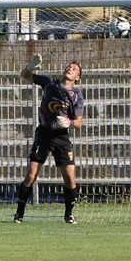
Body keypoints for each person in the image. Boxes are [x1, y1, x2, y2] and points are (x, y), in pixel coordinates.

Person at [13, 54, 84, 224]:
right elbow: (24, 76)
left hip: (61, 137)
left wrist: (68, 122)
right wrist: (30, 67)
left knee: (70, 178)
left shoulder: (76, 96)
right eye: (69, 66)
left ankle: (68, 214)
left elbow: (79, 123)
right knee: (31, 175)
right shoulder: (49, 83)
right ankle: (19, 213)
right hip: (44, 134)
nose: (70, 69)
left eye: (74, 69)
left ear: (77, 77)